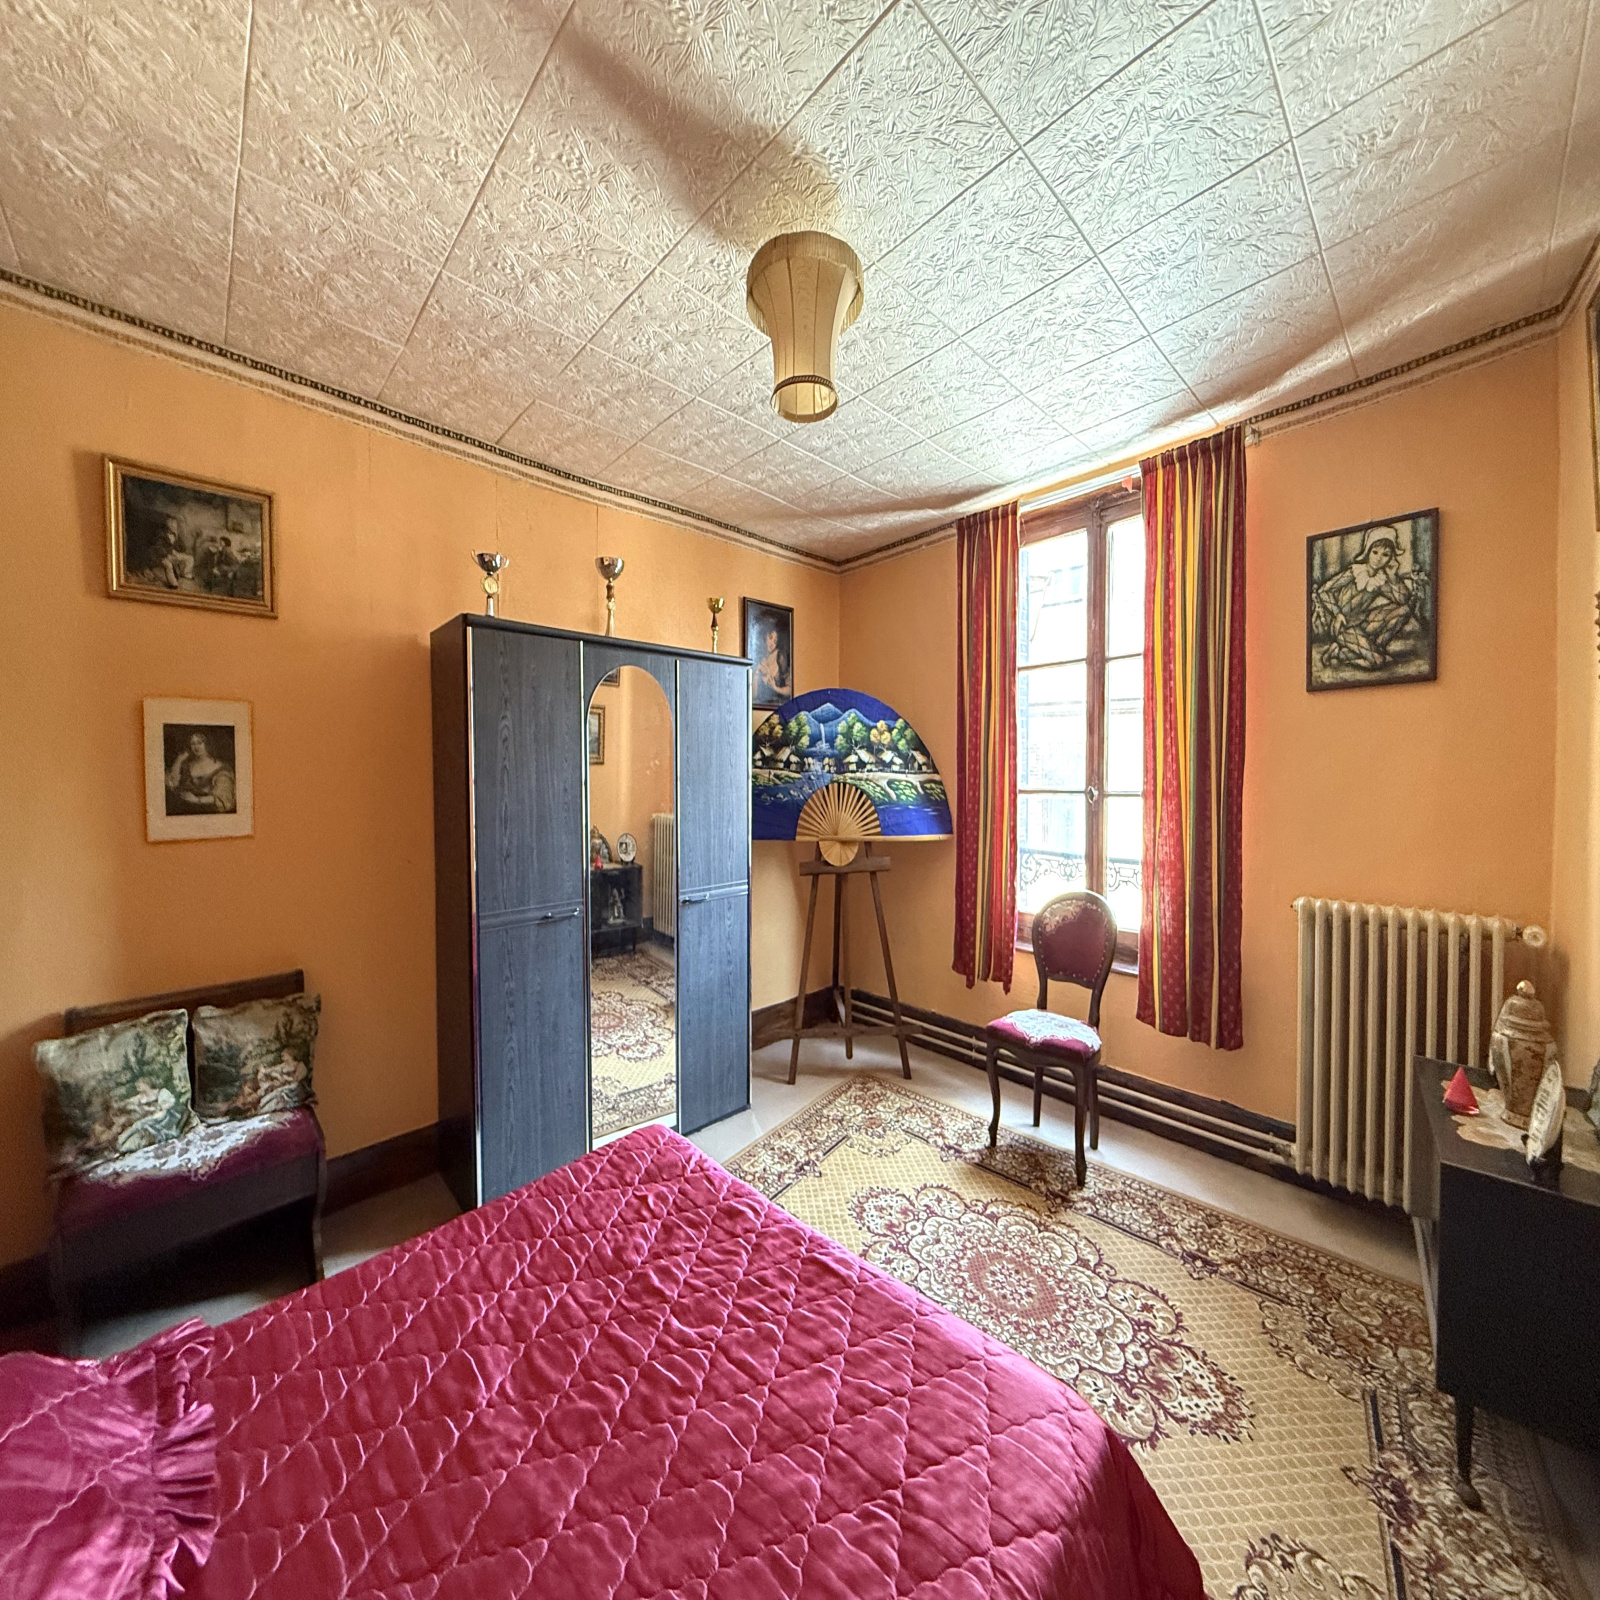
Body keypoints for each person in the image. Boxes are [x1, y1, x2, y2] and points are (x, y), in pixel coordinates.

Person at [1311, 526, 1424, 671]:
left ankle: (1354, 649)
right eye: (1375, 552)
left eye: (1385, 555)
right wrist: (1337, 613)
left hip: (1364, 621)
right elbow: (1323, 591)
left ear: (1391, 558)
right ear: (1368, 551)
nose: (1378, 559)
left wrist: (1392, 576)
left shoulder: (1382, 580)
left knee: (1404, 610)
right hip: (1343, 626)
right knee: (1378, 661)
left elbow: (1403, 600)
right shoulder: (1354, 572)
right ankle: (1340, 653)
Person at [166, 730, 236, 814]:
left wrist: (197, 800)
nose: (196, 747)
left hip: (209, 811)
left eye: (200, 743)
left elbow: (223, 797)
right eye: (193, 743)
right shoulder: (187, 765)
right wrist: (179, 760)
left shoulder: (221, 768)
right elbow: (173, 784)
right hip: (185, 809)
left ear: (208, 744)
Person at [755, 622, 790, 700]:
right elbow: (753, 694)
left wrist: (775, 688)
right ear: (765, 636)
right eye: (770, 638)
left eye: (775, 641)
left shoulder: (779, 656)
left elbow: (790, 690)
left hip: (777, 702)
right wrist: (757, 671)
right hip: (760, 703)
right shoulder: (759, 657)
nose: (772, 644)